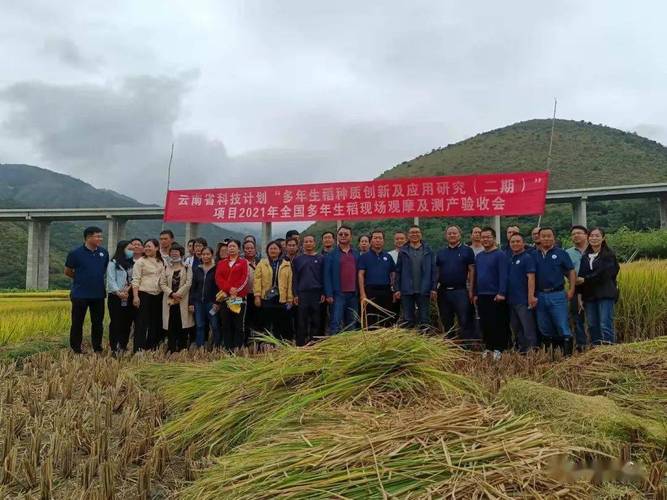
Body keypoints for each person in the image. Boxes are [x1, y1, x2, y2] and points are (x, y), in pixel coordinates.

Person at [64, 226, 108, 353]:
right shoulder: (75, 253)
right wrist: (81, 279)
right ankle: (76, 348)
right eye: (97, 236)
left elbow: (103, 270)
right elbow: (67, 271)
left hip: (98, 294)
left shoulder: (103, 253)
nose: (101, 238)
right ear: (88, 237)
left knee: (98, 323)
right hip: (80, 294)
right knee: (77, 323)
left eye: (101, 236)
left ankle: (97, 347)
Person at [534, 227, 576, 355]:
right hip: (540, 295)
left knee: (562, 324)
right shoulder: (533, 254)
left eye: (549, 236)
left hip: (557, 294)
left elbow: (571, 271)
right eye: (543, 236)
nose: (546, 238)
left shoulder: (561, 253)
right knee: (544, 327)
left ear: (554, 237)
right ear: (539, 238)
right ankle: (551, 355)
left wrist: (571, 289)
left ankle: (567, 355)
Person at [577, 228, 620, 345]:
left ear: (603, 238)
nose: (594, 238)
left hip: (605, 293)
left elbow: (606, 273)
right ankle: (597, 350)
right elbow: (580, 275)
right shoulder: (585, 256)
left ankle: (609, 349)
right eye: (591, 235)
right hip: (589, 295)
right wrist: (579, 295)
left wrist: (586, 279)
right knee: (592, 324)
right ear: (588, 237)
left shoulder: (608, 255)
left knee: (605, 323)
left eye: (597, 236)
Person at [473, 227, 509, 359]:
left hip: (496, 295)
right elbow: (476, 276)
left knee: (497, 322)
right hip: (482, 295)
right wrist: (475, 293)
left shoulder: (500, 255)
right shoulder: (479, 256)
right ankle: (488, 347)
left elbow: (503, 275)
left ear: (494, 238)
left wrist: (501, 292)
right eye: (483, 237)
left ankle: (499, 348)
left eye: (488, 237)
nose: (485, 239)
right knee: (485, 322)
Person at [435, 225, 475, 339]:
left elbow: (472, 271)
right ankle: (450, 346)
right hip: (443, 291)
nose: (452, 235)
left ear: (460, 235)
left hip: (461, 291)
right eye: (449, 233)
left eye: (454, 233)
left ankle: (466, 346)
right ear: (446, 236)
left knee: (464, 320)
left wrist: (471, 290)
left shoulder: (467, 250)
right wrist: (434, 288)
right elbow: (437, 272)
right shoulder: (441, 252)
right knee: (446, 320)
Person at [394, 225, 437, 330]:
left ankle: (425, 341)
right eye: (412, 232)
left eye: (417, 232)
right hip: (407, 290)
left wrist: (433, 288)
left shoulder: (428, 250)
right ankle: (410, 343)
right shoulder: (403, 251)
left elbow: (433, 271)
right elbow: (398, 271)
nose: (414, 234)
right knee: (408, 319)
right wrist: (397, 289)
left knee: (424, 318)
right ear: (408, 235)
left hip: (424, 289)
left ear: (421, 234)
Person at [324, 226, 360, 334]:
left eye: (346, 234)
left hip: (353, 294)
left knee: (352, 322)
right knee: (336, 322)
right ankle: (334, 347)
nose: (343, 236)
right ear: (337, 237)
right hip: (338, 294)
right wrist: (329, 294)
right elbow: (327, 275)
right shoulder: (331, 254)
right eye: (340, 234)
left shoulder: (356, 253)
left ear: (351, 237)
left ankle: (350, 348)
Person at [506, 233, 538, 353]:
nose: (515, 244)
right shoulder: (510, 259)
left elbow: (531, 277)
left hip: (524, 300)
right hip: (511, 300)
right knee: (516, 327)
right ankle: (522, 350)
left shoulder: (527, 258)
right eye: (512, 242)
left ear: (523, 243)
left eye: (518, 241)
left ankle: (532, 351)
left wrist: (531, 296)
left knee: (528, 327)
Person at [131, 239, 165, 351]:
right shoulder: (140, 261)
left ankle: (152, 347)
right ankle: (138, 348)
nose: (147, 248)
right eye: (146, 246)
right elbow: (135, 280)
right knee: (141, 322)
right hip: (144, 294)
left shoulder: (161, 261)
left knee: (155, 322)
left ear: (156, 248)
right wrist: (136, 296)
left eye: (149, 246)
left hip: (158, 295)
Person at [215, 240, 249, 350]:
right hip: (225, 297)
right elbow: (218, 279)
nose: (231, 248)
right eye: (229, 246)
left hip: (238, 298)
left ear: (239, 249)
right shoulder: (221, 263)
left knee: (238, 324)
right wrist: (229, 289)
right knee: (226, 323)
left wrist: (235, 291)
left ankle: (238, 347)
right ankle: (228, 348)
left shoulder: (243, 262)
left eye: (234, 246)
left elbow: (244, 279)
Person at [254, 241, 292, 339]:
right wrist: (257, 296)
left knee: (280, 323)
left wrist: (289, 299)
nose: (273, 250)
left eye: (275, 248)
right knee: (265, 323)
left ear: (280, 250)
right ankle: (265, 345)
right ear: (267, 250)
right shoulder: (262, 263)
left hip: (281, 299)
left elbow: (290, 283)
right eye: (271, 248)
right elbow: (257, 280)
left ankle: (279, 344)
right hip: (266, 298)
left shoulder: (286, 265)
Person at [358, 230, 396, 328]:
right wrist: (362, 294)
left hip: (386, 291)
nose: (377, 240)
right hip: (370, 291)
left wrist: (394, 289)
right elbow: (360, 275)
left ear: (383, 241)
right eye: (375, 238)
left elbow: (393, 273)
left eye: (380, 238)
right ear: (371, 241)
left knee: (386, 318)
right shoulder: (364, 257)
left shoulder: (388, 256)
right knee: (371, 319)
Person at [159, 244, 193, 352]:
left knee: (182, 325)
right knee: (170, 325)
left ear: (181, 253)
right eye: (172, 252)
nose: (174, 253)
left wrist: (178, 294)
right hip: (169, 301)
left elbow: (188, 283)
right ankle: (171, 348)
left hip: (182, 301)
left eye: (176, 252)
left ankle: (182, 348)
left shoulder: (187, 267)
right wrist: (171, 293)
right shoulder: (166, 267)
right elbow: (162, 283)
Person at [292, 235, 325, 345]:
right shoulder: (297, 259)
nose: (308, 243)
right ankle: (301, 344)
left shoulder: (321, 258)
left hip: (316, 293)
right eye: (306, 242)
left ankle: (315, 344)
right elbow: (295, 278)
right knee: (301, 321)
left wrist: (323, 292)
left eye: (311, 241)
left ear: (315, 243)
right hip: (302, 294)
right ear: (302, 244)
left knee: (316, 320)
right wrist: (295, 294)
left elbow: (323, 277)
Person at [188, 247, 221, 348]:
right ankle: (200, 347)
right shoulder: (197, 269)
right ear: (201, 256)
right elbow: (193, 287)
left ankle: (217, 346)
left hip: (211, 302)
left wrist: (217, 302)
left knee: (215, 325)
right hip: (198, 303)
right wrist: (191, 303)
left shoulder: (216, 269)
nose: (205, 256)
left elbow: (219, 287)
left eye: (208, 254)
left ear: (212, 255)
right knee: (200, 325)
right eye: (204, 254)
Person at [106, 240, 134, 354]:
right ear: (122, 249)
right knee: (115, 322)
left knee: (127, 322)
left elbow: (134, 279)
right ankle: (114, 346)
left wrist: (127, 290)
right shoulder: (113, 263)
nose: (131, 251)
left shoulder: (132, 264)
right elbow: (111, 280)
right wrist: (119, 292)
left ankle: (123, 344)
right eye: (129, 249)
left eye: (132, 249)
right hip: (115, 297)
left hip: (128, 296)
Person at [566, 225, 589, 349]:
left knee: (593, 317)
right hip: (575, 288)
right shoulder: (568, 253)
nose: (576, 235)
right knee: (577, 317)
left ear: (586, 235)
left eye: (579, 233)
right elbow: (565, 271)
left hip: (593, 289)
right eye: (573, 234)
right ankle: (582, 345)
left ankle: (598, 343)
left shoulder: (594, 250)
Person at [319, 231, 336, 334]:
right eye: (325, 238)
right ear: (322, 241)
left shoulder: (338, 255)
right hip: (320, 291)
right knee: (321, 317)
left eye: (330, 237)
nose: (327, 239)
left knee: (335, 316)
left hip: (335, 291)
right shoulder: (318, 256)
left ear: (334, 240)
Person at [243, 239, 260, 332]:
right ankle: (246, 341)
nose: (249, 250)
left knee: (257, 318)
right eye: (247, 248)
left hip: (258, 295)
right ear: (243, 250)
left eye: (251, 248)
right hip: (245, 296)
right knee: (246, 318)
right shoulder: (240, 262)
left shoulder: (261, 262)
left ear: (255, 249)